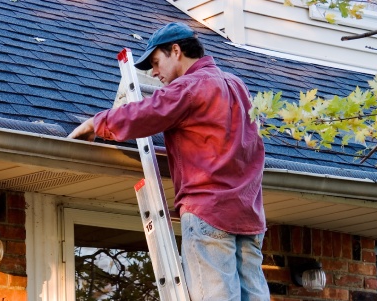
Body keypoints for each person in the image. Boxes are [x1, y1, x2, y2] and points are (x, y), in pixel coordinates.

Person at [68, 22, 269, 301]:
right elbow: (257, 140)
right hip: (249, 217)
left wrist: (94, 123)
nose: (153, 72)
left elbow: (146, 113)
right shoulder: (238, 86)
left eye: (156, 61)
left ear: (176, 51)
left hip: (208, 213)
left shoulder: (191, 86)